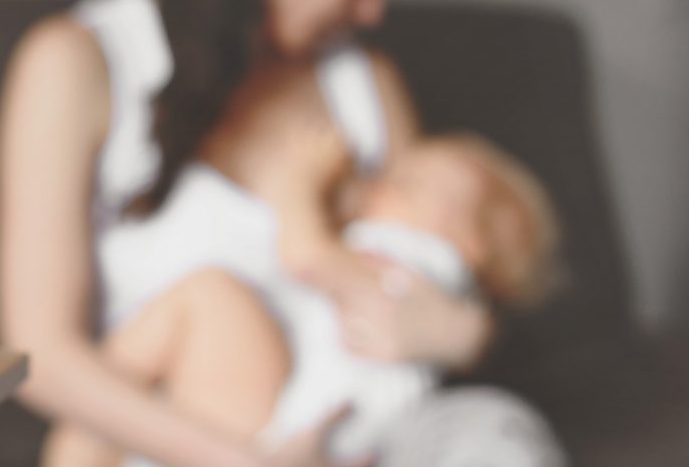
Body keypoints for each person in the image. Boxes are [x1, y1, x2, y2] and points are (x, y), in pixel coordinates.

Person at [0, 0, 553, 465]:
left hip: (360, 432)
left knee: (497, 431)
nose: (373, 10)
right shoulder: (80, 62)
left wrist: (461, 332)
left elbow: (432, 255)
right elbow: (43, 354)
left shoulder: (367, 85)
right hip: (193, 440)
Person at [80, 125, 558, 466]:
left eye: (407, 186)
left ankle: (97, 418)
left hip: (292, 426)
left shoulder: (416, 262)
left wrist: (297, 183)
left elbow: (306, 258)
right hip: (297, 429)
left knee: (207, 297)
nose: (381, 185)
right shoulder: (403, 259)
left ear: (469, 245)